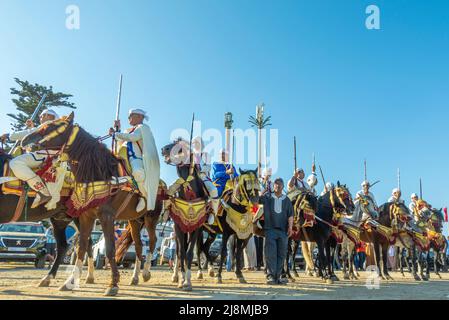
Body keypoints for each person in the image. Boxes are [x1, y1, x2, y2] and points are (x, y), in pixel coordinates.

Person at [1, 109, 59, 208]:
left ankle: (43, 192)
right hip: (43, 154)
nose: (41, 117)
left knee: (16, 163)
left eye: (43, 115)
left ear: (50, 117)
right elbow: (32, 138)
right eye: (41, 116)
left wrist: (9, 135)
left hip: (45, 155)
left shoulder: (50, 124)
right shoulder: (50, 128)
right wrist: (32, 127)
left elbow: (29, 133)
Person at [110, 108, 160, 212]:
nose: (128, 118)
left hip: (136, 159)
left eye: (131, 115)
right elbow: (121, 141)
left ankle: (143, 196)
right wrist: (117, 130)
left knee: (138, 172)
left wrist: (116, 134)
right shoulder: (129, 130)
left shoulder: (143, 127)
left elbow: (133, 137)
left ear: (140, 117)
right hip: (123, 157)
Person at [260, 178, 294, 285]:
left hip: (283, 231)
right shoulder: (268, 197)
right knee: (271, 254)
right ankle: (270, 276)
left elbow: (290, 215)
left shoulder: (287, 200)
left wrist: (290, 227)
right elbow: (257, 200)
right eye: (276, 184)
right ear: (273, 186)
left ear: (283, 186)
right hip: (270, 229)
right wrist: (263, 190)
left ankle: (277, 276)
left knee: (281, 254)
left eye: (280, 184)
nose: (277, 186)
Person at [192, 136, 219, 225]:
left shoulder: (206, 155)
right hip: (190, 178)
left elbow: (208, 166)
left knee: (214, 190)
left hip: (203, 177)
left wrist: (200, 168)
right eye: (194, 143)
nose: (195, 144)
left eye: (197, 142)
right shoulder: (190, 155)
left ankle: (213, 212)